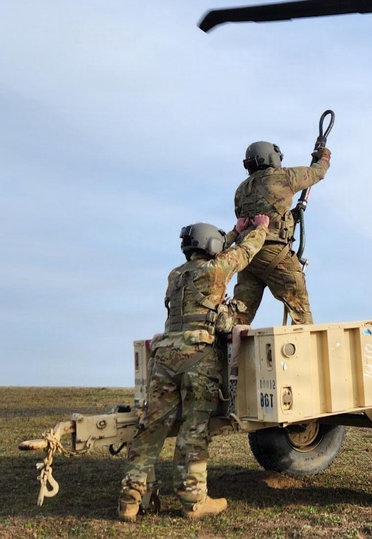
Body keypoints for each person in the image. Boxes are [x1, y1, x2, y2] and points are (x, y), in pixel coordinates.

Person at [117, 214, 269, 522]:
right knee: (193, 431)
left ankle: (129, 500)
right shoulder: (215, 271)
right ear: (211, 245)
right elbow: (245, 253)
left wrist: (233, 231)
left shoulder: (175, 276)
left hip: (163, 358)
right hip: (197, 357)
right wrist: (259, 230)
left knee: (150, 430)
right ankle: (193, 502)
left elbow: (218, 249)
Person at [230, 140, 330, 326]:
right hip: (275, 253)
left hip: (248, 256)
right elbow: (317, 173)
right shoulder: (284, 177)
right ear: (272, 157)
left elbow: (251, 218)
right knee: (300, 309)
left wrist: (290, 217)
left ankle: (232, 351)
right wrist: (324, 157)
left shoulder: (241, 190)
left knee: (240, 315)